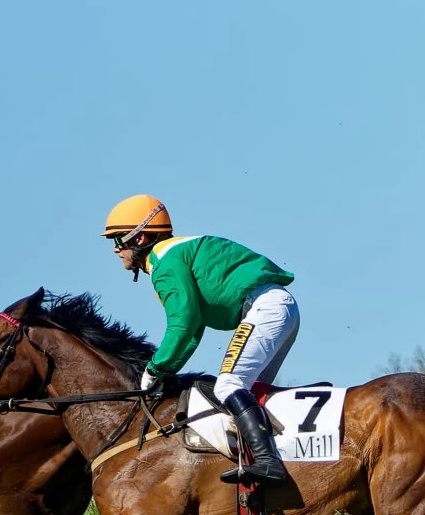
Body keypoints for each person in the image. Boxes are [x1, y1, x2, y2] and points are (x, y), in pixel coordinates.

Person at [102, 194, 298, 484]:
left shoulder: (165, 264)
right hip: (276, 306)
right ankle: (283, 459)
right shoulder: (175, 253)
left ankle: (269, 463)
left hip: (265, 307)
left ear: (140, 238)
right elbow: (193, 331)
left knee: (229, 384)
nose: (116, 250)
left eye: (118, 240)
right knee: (252, 392)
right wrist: (167, 368)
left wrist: (154, 370)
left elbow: (183, 324)